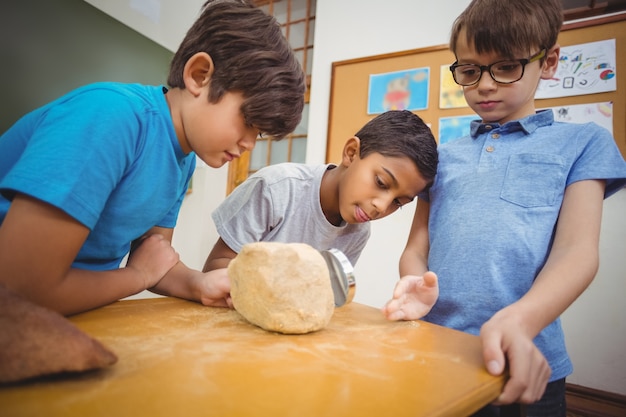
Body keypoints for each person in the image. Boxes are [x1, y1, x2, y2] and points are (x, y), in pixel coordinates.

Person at [382, 0, 626, 415]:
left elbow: (577, 252)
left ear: (548, 62)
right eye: (470, 70)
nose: (486, 85)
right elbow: (417, 246)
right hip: (434, 351)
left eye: (507, 67)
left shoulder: (583, 142)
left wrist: (521, 320)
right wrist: (412, 284)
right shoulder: (444, 156)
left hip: (527, 356)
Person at [0, 0, 306, 316]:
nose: (249, 145)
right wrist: (136, 277)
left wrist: (200, 284)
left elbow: (154, 257)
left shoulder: (184, 156)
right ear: (199, 75)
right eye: (248, 121)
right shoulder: (110, 117)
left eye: (260, 134)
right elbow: (20, 290)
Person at [203, 110, 438, 274]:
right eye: (381, 182)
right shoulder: (276, 188)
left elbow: (328, 292)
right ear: (351, 152)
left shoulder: (358, 231)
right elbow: (216, 266)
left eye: (398, 202)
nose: (381, 206)